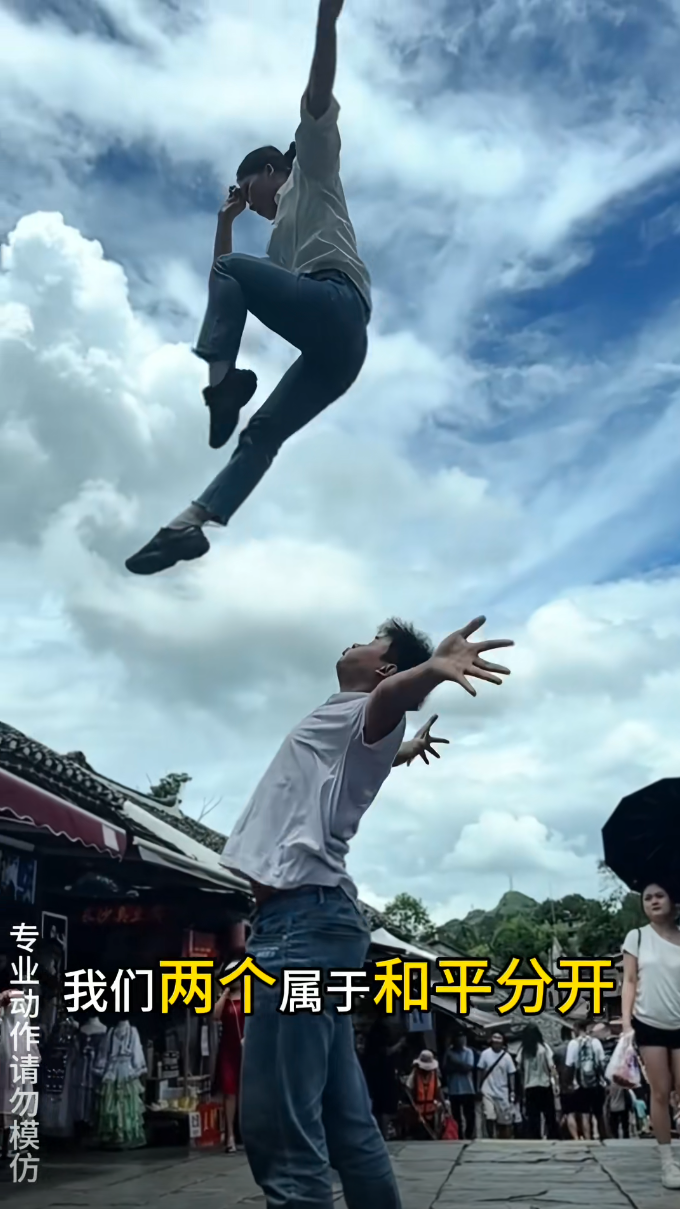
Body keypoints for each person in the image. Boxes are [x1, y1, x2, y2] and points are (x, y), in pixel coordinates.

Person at [218, 615, 512, 1207]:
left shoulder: (370, 706)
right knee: (345, 1123)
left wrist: (431, 671)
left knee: (280, 1130)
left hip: (298, 927)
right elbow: (369, 742)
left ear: (385, 667)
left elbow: (388, 699)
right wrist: (407, 751)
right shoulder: (353, 724)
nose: (353, 642)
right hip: (314, 923)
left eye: (372, 641)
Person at [126, 0, 372, 575]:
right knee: (261, 431)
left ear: (268, 173)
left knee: (234, 272)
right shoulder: (278, 245)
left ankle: (222, 389)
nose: (249, 203)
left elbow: (317, 94)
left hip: (338, 304)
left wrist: (326, 21)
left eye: (247, 191)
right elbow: (224, 282)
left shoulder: (312, 172)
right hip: (335, 354)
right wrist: (225, 221)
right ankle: (189, 524)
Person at [622, 879, 680, 1190]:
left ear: (673, 901)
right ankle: (667, 1162)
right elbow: (629, 980)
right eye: (648, 898)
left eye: (660, 896)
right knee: (660, 1092)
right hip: (649, 1022)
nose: (654, 901)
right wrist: (626, 1023)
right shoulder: (638, 937)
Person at [213, 977, 244, 1153]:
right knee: (229, 1091)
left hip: (247, 1048)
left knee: (247, 1091)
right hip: (228, 1050)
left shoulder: (250, 995)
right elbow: (215, 1016)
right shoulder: (224, 997)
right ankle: (230, 1136)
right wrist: (224, 994)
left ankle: (248, 1133)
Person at [565, 1021, 607, 1142]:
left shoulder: (573, 1044)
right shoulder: (596, 1042)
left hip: (580, 1084)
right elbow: (602, 1062)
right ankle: (603, 1137)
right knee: (599, 1113)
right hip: (596, 1082)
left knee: (585, 1113)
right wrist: (604, 1079)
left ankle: (588, 1140)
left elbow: (569, 1065)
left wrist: (568, 1083)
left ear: (577, 1029)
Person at [516, 1024, 558, 1140]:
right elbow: (552, 1067)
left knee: (533, 1116)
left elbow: (519, 1069)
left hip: (530, 1086)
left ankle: (535, 1137)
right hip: (544, 1085)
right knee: (549, 1114)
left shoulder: (523, 1051)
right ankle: (552, 1135)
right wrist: (556, 1083)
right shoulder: (544, 1048)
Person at [477, 1033, 516, 1140]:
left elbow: (511, 1074)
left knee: (503, 1120)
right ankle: (491, 1137)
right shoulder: (485, 1054)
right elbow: (480, 1070)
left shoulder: (507, 1057)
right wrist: (478, 1087)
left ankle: (501, 1138)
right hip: (487, 1090)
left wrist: (512, 1090)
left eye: (499, 1039)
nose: (497, 1041)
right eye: (495, 1038)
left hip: (502, 1092)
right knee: (489, 1115)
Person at [405, 1051, 447, 1139]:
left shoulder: (434, 1075)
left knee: (432, 1135)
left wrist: (444, 1105)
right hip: (418, 1113)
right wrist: (413, 1106)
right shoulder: (415, 1074)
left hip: (432, 1112)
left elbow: (439, 1091)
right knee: (419, 1136)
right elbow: (408, 1090)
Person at [443, 1032, 476, 1140]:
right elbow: (446, 1069)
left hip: (467, 1088)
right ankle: (459, 1136)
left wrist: (453, 1060)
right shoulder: (449, 1052)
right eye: (459, 1038)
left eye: (463, 1038)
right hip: (454, 1089)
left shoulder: (468, 1051)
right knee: (456, 1116)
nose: (461, 1041)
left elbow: (468, 1067)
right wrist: (458, 1066)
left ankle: (469, 1135)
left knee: (469, 1115)